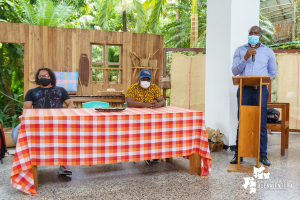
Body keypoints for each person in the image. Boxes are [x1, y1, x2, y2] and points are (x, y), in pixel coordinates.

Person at [12, 68, 75, 175]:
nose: (43, 78)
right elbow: (26, 109)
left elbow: (71, 104)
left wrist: (67, 112)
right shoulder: (32, 92)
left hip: (57, 122)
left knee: (69, 132)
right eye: (40, 76)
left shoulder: (61, 90)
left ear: (51, 77)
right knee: (16, 133)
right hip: (37, 123)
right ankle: (28, 161)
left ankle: (63, 164)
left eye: (45, 76)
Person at [230, 26, 277, 166]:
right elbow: (235, 71)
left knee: (261, 122)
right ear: (248, 35)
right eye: (251, 33)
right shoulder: (240, 50)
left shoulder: (268, 51)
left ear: (260, 36)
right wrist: (245, 57)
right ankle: (239, 153)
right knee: (243, 121)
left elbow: (273, 73)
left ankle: (262, 154)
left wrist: (262, 79)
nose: (253, 35)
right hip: (244, 90)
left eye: (256, 33)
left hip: (261, 90)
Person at [126, 69, 166, 165]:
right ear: (139, 79)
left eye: (148, 79)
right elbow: (130, 103)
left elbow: (163, 101)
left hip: (152, 119)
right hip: (136, 119)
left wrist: (158, 105)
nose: (146, 81)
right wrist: (146, 105)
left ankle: (153, 152)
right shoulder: (132, 88)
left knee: (157, 132)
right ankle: (143, 152)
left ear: (150, 80)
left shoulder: (154, 88)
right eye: (143, 78)